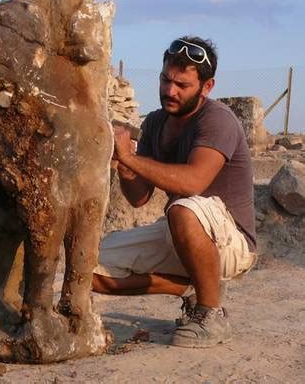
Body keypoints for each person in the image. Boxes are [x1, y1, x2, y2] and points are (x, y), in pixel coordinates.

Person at [92, 36, 257, 348]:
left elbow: (193, 182)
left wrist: (130, 157)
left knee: (183, 207)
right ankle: (191, 287)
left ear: (207, 87)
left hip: (230, 244)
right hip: (181, 233)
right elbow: (139, 198)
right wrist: (125, 165)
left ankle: (210, 314)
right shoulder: (156, 122)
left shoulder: (217, 119)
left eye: (182, 85)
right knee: (87, 268)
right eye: (166, 80)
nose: (170, 91)